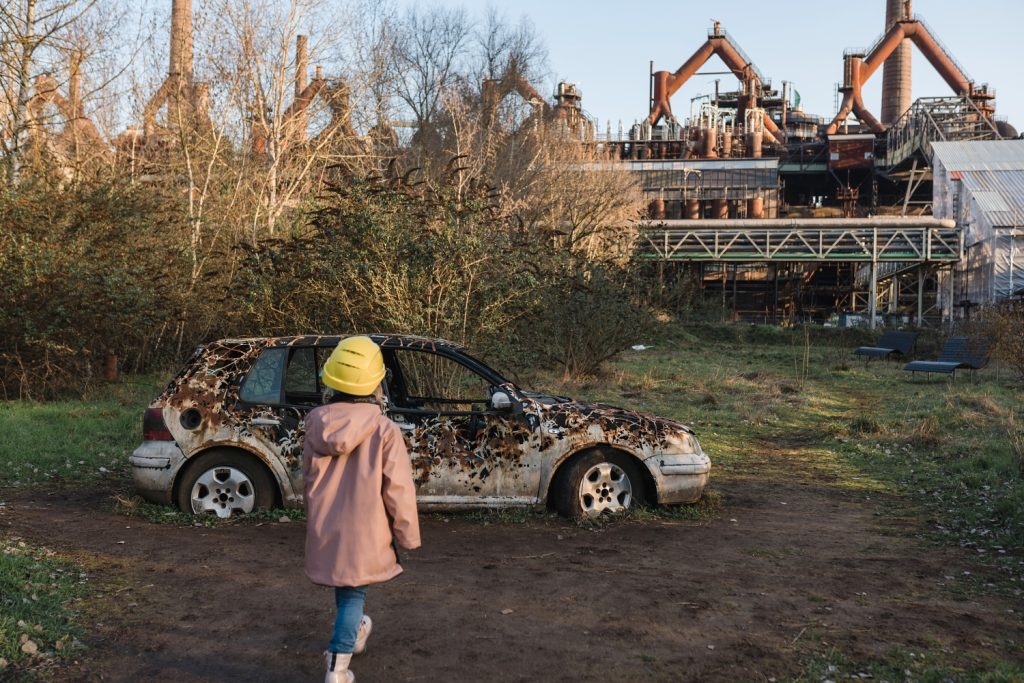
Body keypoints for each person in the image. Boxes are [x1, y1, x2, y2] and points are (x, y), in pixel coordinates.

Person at [303, 336, 421, 683]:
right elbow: (398, 489)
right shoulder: (384, 430)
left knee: (347, 586)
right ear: (376, 384)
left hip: (326, 525)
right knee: (354, 594)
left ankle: (354, 634)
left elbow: (308, 479)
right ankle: (336, 669)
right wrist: (408, 536)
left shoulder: (314, 423)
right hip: (367, 530)